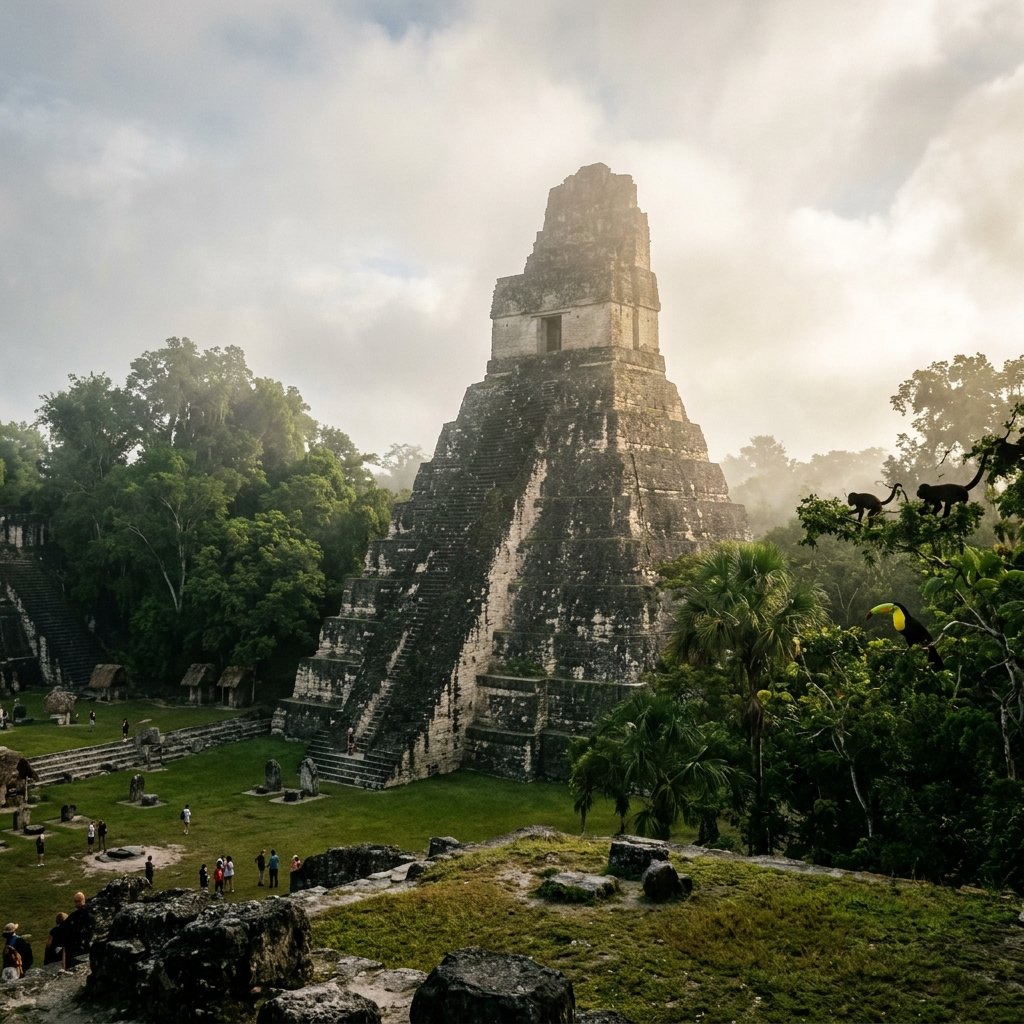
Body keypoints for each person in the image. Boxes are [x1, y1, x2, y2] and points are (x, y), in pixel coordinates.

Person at [62, 891, 92, 968]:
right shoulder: (76, 915)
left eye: (77, 901)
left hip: (78, 948)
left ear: (82, 900)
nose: (76, 904)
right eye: (75, 901)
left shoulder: (75, 916)